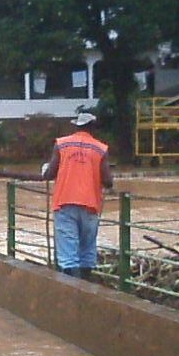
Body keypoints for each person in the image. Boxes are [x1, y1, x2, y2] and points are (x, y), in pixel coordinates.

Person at [42, 112, 113, 279]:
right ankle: (86, 283)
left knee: (67, 251)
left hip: (65, 202)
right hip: (90, 204)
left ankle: (71, 287)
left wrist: (44, 170)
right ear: (92, 127)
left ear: (76, 126)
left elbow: (50, 173)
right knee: (87, 247)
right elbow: (108, 181)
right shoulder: (100, 149)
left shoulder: (61, 144)